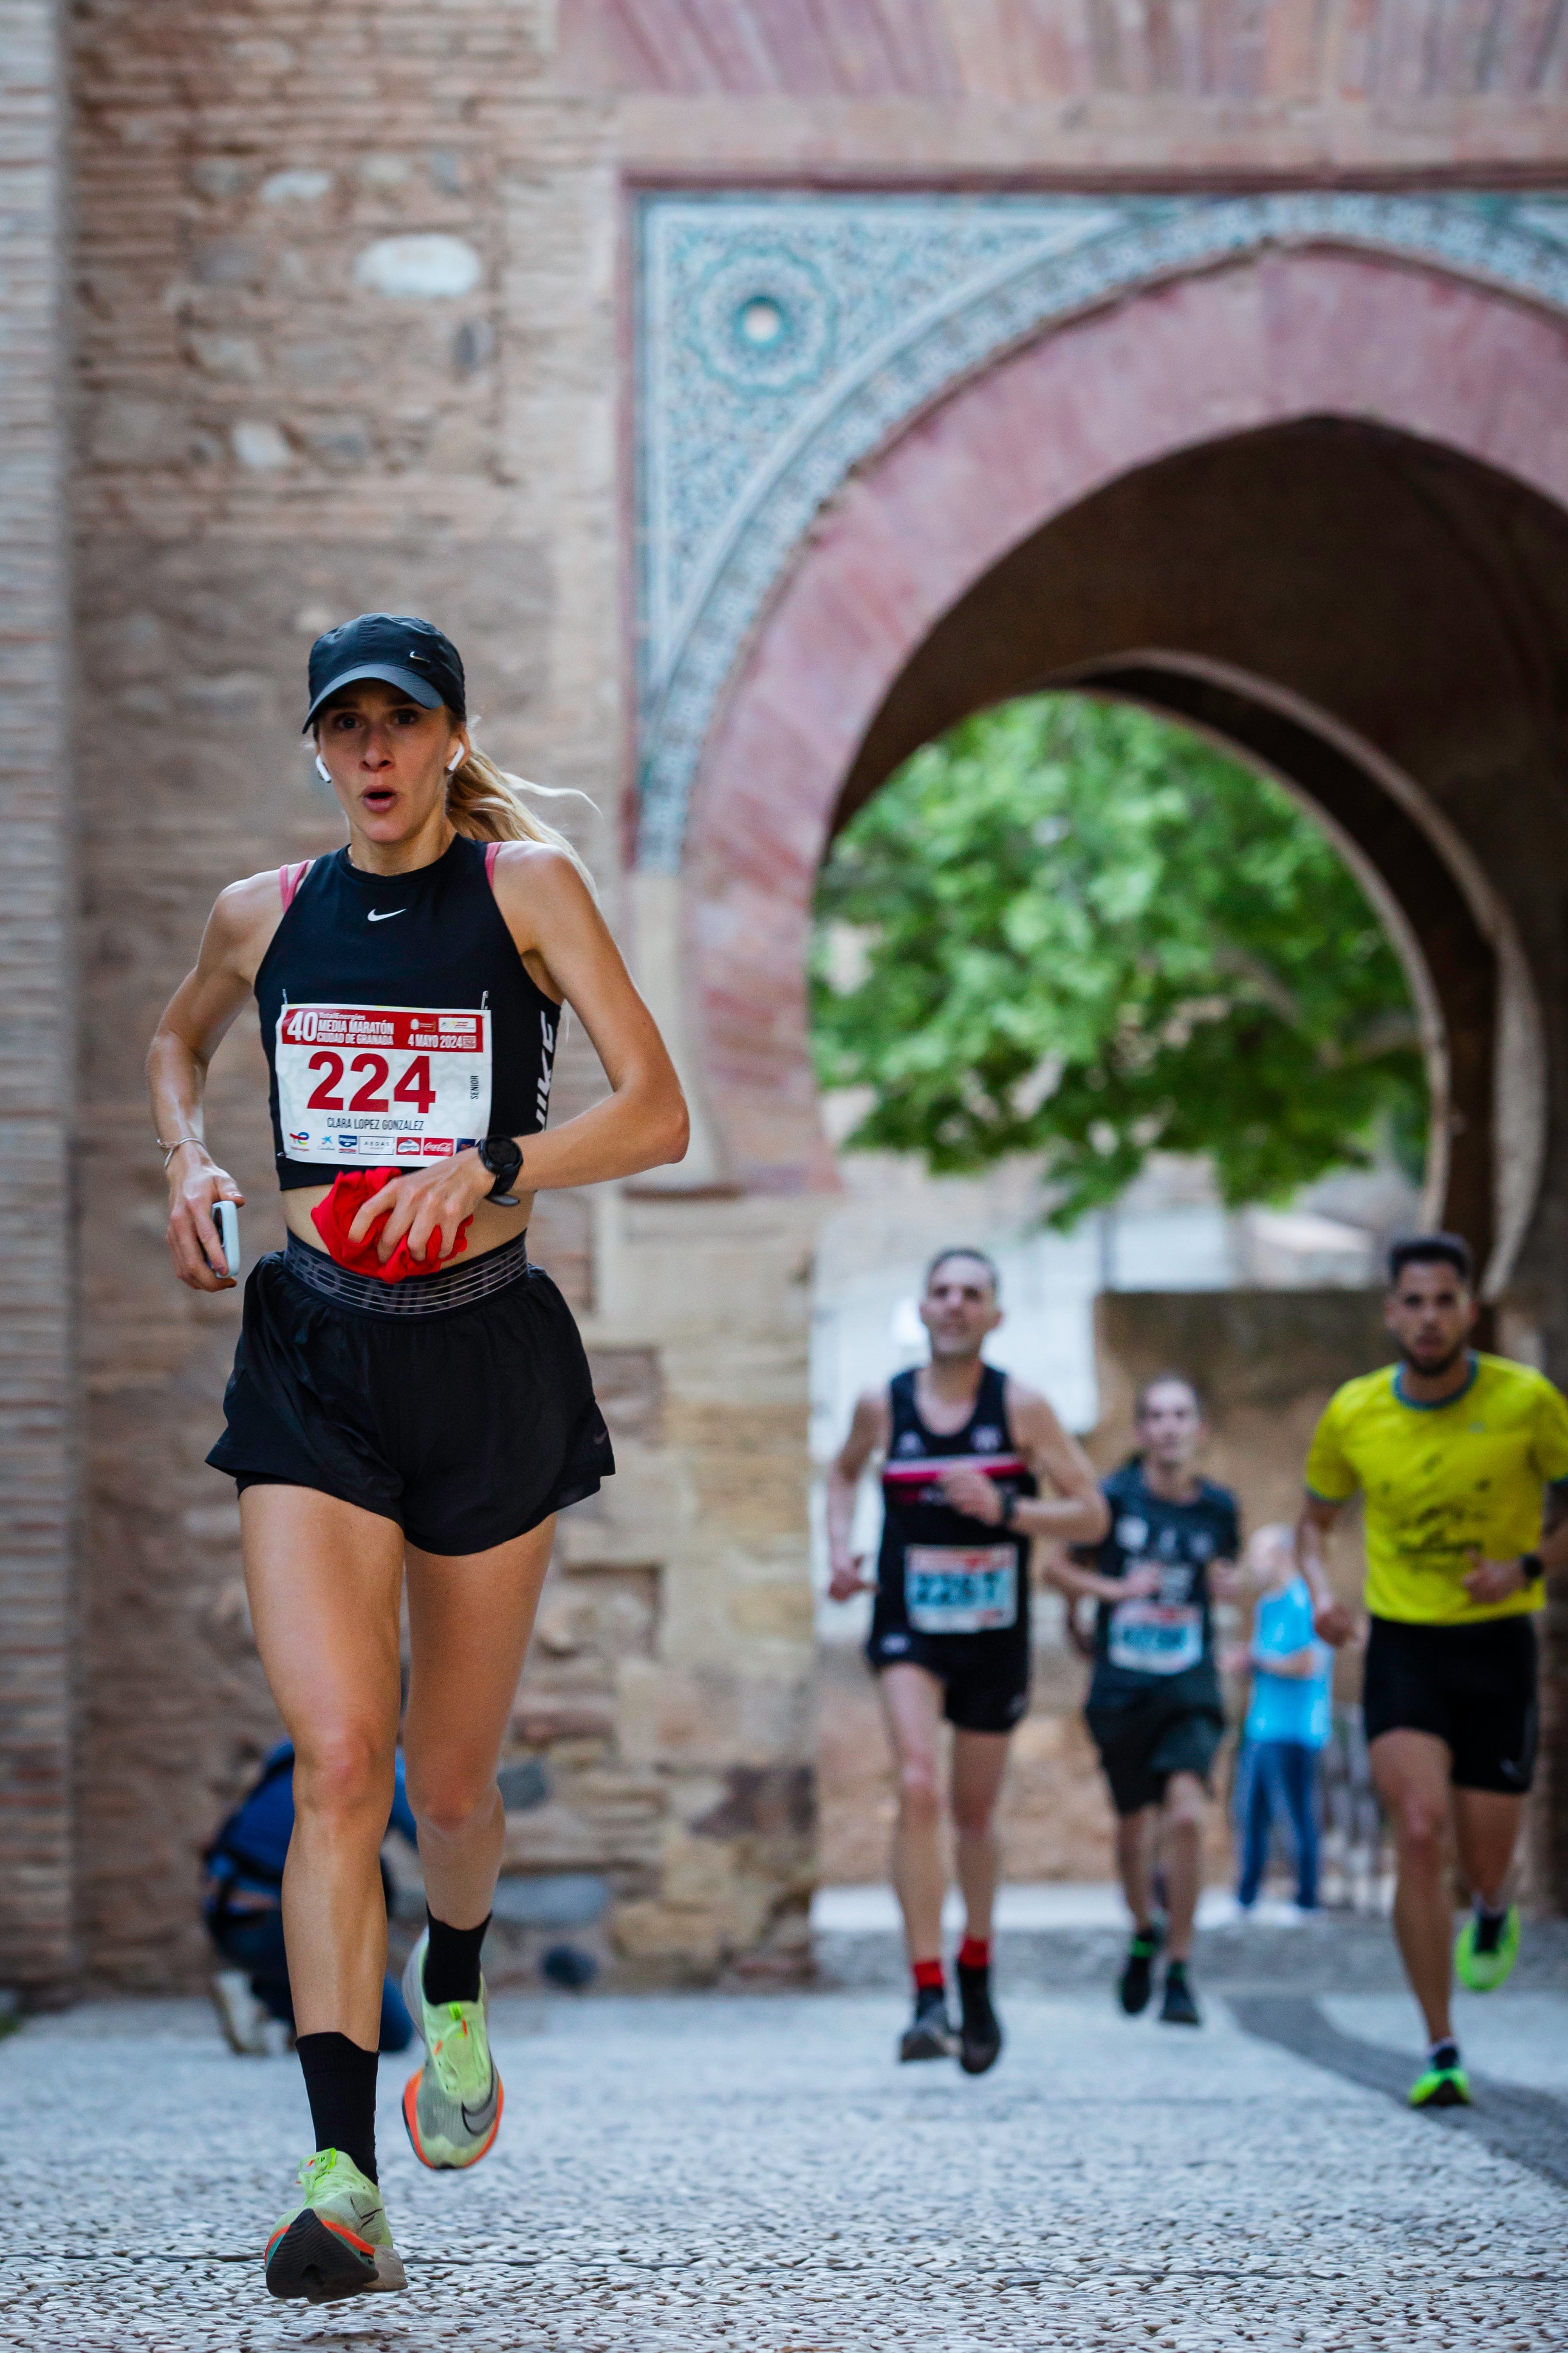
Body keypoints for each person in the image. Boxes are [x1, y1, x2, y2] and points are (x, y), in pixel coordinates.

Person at [148, 613, 688, 2303]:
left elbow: (657, 1110)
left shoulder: (522, 892)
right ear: (319, 746)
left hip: (486, 1356)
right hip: (312, 1356)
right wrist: (187, 1160)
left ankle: (453, 1985)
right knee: (333, 1758)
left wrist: (498, 1154)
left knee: (447, 1793)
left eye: (402, 723)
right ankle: (338, 2176)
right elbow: (176, 1041)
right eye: (346, 727)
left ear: (451, 738)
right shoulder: (265, 913)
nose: (372, 754)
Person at [1299, 1232, 1568, 2109]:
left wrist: (1524, 1569)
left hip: (1496, 1643)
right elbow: (1315, 1523)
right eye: (1411, 1302)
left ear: (1468, 1310)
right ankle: (1439, 2044)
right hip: (1404, 1646)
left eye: (1443, 1300)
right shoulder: (1355, 1412)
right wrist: (1317, 1594)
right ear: (1390, 1312)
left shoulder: (1527, 1403)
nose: (1427, 1317)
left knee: (1485, 1858)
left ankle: (1492, 1905)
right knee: (1417, 1831)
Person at [826, 1248, 1108, 2073]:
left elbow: (1091, 1514)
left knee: (974, 1814)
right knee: (917, 1785)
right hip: (906, 1623)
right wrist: (840, 1550)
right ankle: (924, 1993)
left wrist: (1009, 1507)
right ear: (921, 1309)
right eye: (941, 1292)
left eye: (971, 1294)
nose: (954, 1305)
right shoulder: (883, 1404)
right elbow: (842, 1475)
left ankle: (975, 1968)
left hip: (994, 1634)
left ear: (995, 1316)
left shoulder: (1022, 1408)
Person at [1048, 1375, 1240, 2027]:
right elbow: (1057, 1567)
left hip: (1188, 1681)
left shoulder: (1217, 1509)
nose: (1167, 1426)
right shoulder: (1111, 1497)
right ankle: (1140, 1930)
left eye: (1180, 1414)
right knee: (1135, 1826)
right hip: (1121, 1685)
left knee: (1185, 1815)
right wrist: (1107, 1594)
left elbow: (1231, 1576)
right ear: (1139, 1431)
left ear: (1199, 1429)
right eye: (1155, 1415)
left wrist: (1237, 1582)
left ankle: (1181, 1967)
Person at [205, 1740, 418, 2056]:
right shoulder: (384, 1763)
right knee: (393, 2033)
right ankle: (262, 2000)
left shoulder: (294, 1749)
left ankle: (269, 2002)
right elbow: (433, 1836)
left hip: (222, 1914)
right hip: (275, 1924)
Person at [1224, 1525, 1332, 1915]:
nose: (1254, 1564)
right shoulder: (1267, 1605)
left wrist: (1257, 1660)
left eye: (1260, 1555)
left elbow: (1309, 1663)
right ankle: (1245, 1899)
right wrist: (1248, 1663)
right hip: (1261, 1726)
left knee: (1298, 1815)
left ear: (1283, 1555)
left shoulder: (1305, 1602)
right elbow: (1267, 1658)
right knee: (1249, 1814)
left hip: (1296, 1729)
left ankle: (1307, 1900)